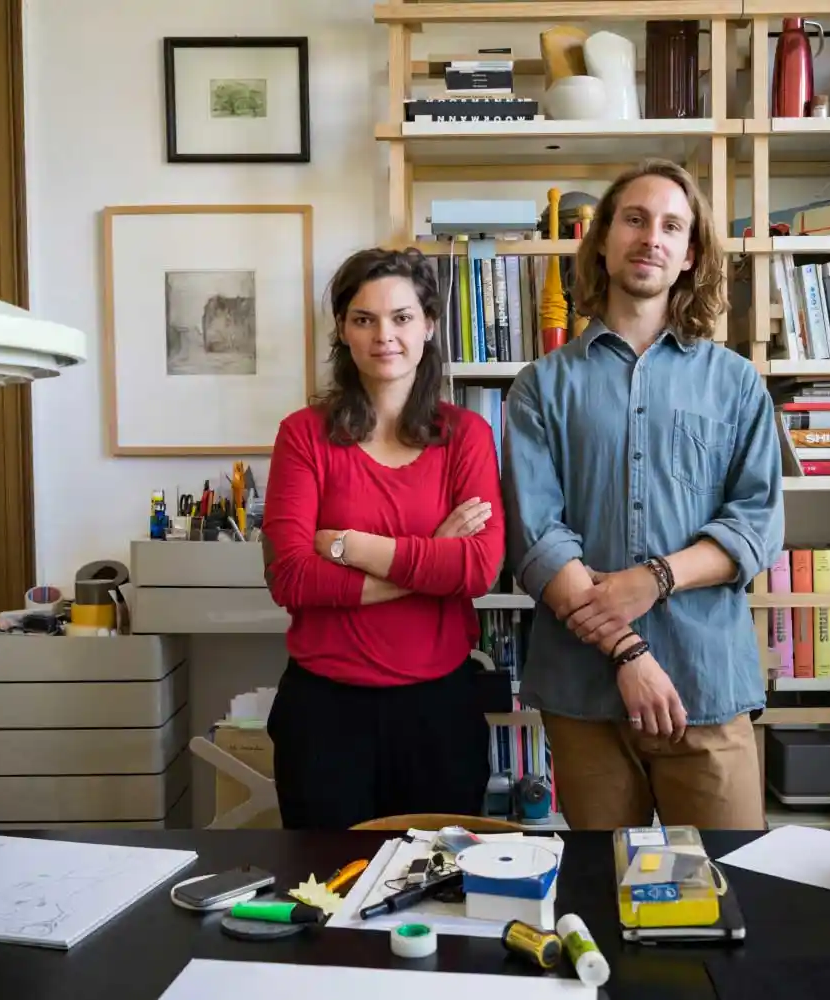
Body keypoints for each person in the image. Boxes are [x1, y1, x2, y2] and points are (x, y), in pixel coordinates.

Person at [501, 158, 784, 831]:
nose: (650, 236)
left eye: (671, 225)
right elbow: (537, 539)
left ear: (689, 254)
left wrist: (653, 580)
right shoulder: (541, 386)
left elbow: (756, 527)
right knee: (604, 901)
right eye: (634, 218)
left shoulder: (737, 383)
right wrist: (628, 651)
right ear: (602, 239)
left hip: (707, 686)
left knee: (734, 893)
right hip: (585, 698)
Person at [260, 246, 505, 830]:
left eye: (401, 317)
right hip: (324, 711)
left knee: (437, 893)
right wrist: (429, 559)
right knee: (327, 896)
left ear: (430, 326)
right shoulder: (303, 435)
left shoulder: (466, 436)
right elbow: (290, 577)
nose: (384, 335)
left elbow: (477, 570)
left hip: (438, 711)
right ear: (343, 330)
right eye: (364, 319)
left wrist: (347, 545)